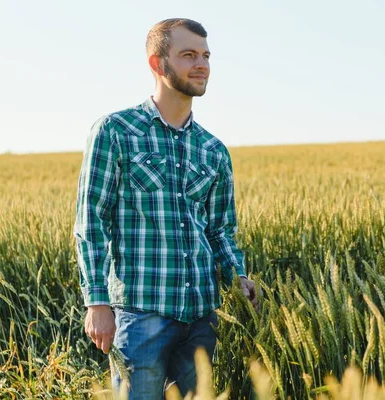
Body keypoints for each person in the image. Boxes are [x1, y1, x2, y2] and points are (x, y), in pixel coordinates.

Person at [73, 18, 259, 399]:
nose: (202, 64)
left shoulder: (213, 150)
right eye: (188, 55)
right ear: (157, 64)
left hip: (201, 317)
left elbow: (220, 230)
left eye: (206, 55)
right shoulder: (116, 132)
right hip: (142, 316)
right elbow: (91, 220)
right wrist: (96, 301)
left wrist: (238, 276)